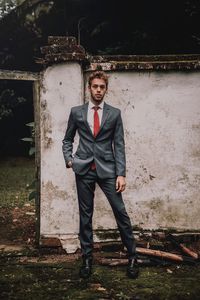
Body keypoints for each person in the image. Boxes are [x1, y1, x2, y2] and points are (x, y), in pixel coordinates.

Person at [62, 71, 139, 279]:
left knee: (120, 212)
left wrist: (121, 174)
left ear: (106, 89)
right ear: (89, 88)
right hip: (84, 169)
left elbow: (119, 145)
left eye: (102, 87)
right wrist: (70, 160)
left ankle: (132, 257)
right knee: (85, 216)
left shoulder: (114, 114)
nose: (98, 90)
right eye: (95, 86)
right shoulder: (77, 112)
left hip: (108, 170)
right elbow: (67, 139)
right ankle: (87, 259)